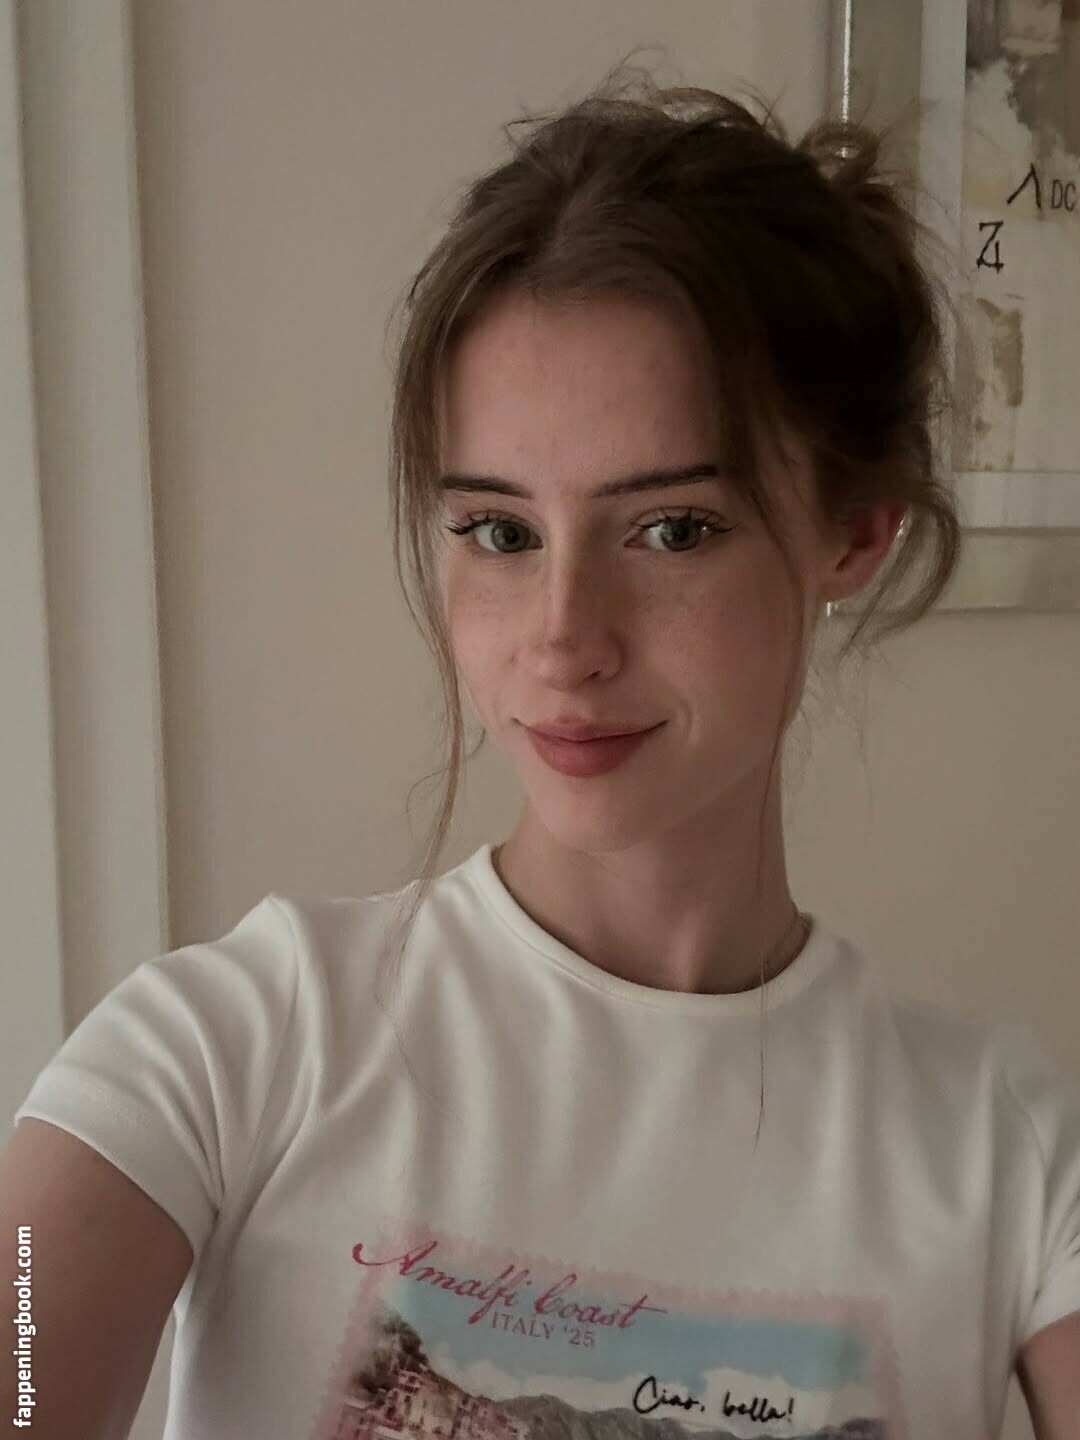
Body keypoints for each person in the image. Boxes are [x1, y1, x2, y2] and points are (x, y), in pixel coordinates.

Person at [1, 55, 1078, 1440]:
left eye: (672, 530)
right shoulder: (231, 1047)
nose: (564, 639)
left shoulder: (1004, 1150)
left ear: (853, 533)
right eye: (500, 532)